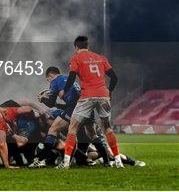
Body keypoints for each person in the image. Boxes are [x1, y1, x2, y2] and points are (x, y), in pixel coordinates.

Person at [57, 35, 122, 169]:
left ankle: (66, 163)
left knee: (73, 127)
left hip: (87, 96)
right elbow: (114, 77)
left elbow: (72, 76)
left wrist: (64, 90)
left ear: (76, 47)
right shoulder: (101, 58)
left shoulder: (76, 58)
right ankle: (118, 161)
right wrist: (109, 91)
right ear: (88, 46)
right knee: (107, 128)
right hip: (103, 96)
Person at [30, 65, 81, 168]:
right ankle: (109, 159)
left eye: (48, 80)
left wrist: (42, 99)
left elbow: (51, 103)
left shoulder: (55, 81)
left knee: (53, 129)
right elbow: (65, 104)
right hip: (83, 106)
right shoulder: (68, 79)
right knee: (80, 134)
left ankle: (41, 159)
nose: (49, 82)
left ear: (50, 76)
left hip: (74, 107)